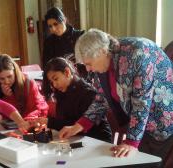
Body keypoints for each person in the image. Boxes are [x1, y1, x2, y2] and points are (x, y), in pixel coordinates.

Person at [60, 28, 173, 163]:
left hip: (162, 121)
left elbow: (141, 102)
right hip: (140, 126)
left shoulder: (138, 54)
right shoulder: (102, 64)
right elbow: (101, 99)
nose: (88, 69)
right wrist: (79, 126)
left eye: (89, 64)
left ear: (102, 51)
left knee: (153, 162)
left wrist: (131, 142)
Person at [33, 57, 111, 142]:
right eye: (51, 82)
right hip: (77, 139)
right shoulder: (61, 93)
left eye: (56, 79)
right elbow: (66, 123)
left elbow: (80, 127)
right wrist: (48, 122)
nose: (54, 85)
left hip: (97, 140)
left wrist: (50, 122)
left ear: (67, 72)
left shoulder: (87, 92)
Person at [0, 54, 48, 120]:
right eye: (2, 79)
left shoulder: (29, 83)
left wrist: (25, 121)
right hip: (12, 124)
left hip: (31, 120)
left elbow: (37, 108)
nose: (7, 81)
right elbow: (3, 115)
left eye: (9, 76)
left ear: (15, 72)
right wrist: (7, 97)